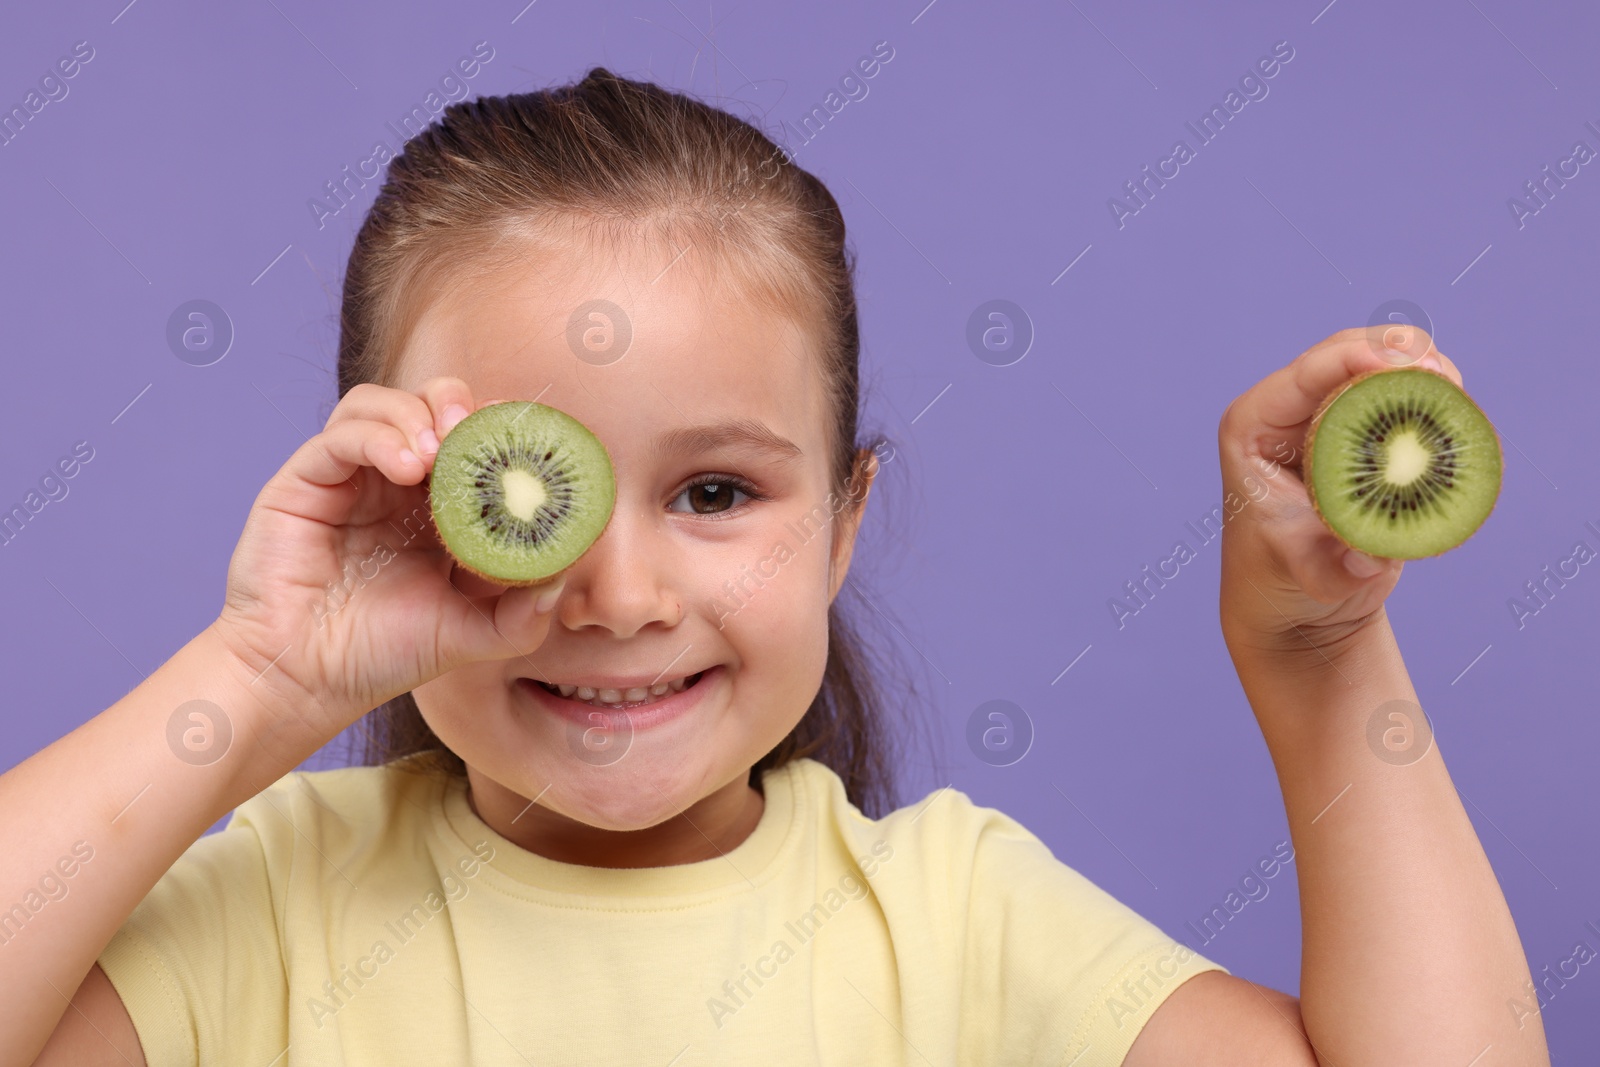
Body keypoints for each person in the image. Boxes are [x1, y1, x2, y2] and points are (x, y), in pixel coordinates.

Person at [6, 68, 1549, 1066]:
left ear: (845, 522)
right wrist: (259, 673)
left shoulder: (956, 926)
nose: (616, 597)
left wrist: (1323, 663)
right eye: (542, 497)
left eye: (718, 490)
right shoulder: (270, 908)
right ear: (396, 498)